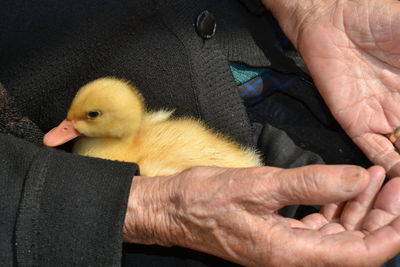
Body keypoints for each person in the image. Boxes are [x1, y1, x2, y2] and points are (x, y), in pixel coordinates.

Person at [1, 0, 400, 266]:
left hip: (306, 61)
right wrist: (138, 207)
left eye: (83, 118)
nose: (69, 128)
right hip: (69, 216)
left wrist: (315, 9)